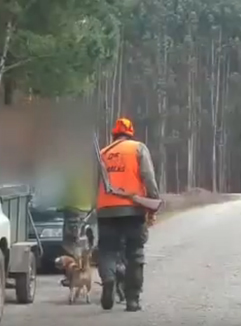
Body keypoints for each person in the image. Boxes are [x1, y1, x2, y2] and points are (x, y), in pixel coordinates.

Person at [96, 117, 160, 312]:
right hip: (132, 209)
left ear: (114, 134)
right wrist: (153, 202)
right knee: (135, 254)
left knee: (107, 250)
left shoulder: (102, 153)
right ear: (130, 132)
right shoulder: (138, 148)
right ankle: (132, 300)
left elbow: (94, 183)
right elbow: (148, 177)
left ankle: (108, 280)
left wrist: (96, 207)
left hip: (106, 210)